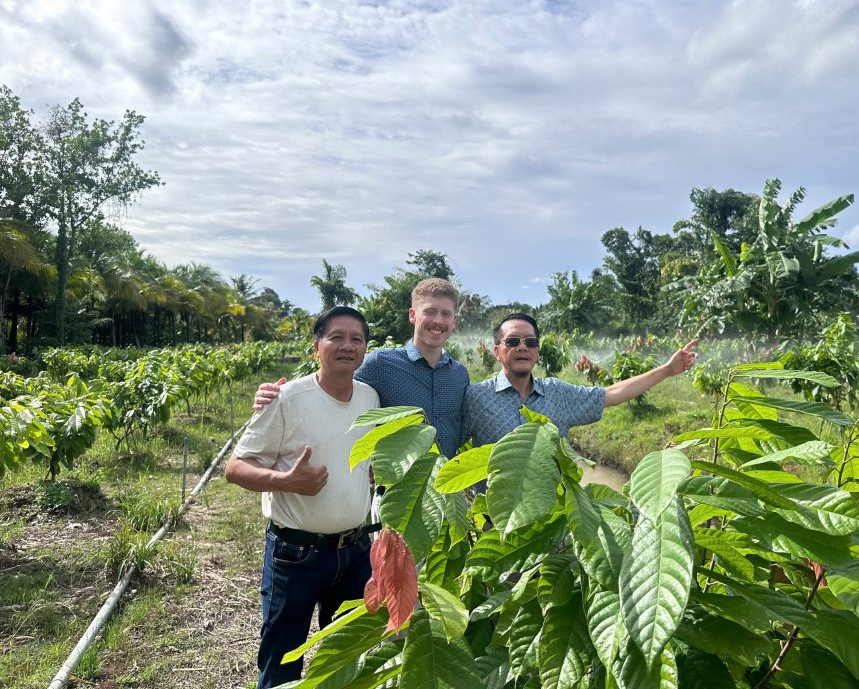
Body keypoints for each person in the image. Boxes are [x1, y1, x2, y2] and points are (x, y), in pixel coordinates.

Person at [225, 306, 380, 689]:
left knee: (346, 660)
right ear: (317, 346)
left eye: (356, 339)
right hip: (296, 555)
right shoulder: (287, 398)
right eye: (336, 337)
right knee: (282, 659)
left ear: (365, 348)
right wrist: (286, 481)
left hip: (355, 551)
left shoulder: (370, 398)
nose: (347, 346)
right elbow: (235, 467)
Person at [254, 278, 469, 458]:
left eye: (445, 314)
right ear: (412, 315)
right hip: (393, 485)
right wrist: (281, 395)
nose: (438, 320)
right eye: (430, 312)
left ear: (454, 320)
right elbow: (333, 387)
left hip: (446, 485)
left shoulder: (459, 375)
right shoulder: (381, 364)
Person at [461, 313, 699, 449]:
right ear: (496, 351)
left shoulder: (556, 393)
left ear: (537, 351)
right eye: (513, 341)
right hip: (494, 518)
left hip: (555, 517)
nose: (522, 347)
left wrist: (667, 370)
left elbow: (612, 394)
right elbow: (448, 444)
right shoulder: (476, 397)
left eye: (530, 342)